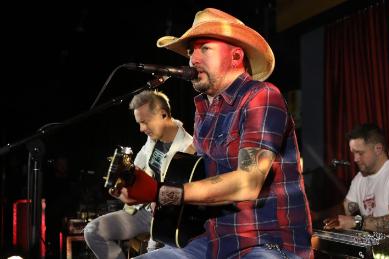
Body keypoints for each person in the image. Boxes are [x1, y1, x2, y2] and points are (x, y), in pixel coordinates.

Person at [114, 7, 313, 259]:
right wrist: (144, 187)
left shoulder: (261, 96)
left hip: (266, 243)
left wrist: (161, 192)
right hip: (213, 242)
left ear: (236, 56)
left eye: (204, 48)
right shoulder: (203, 112)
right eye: (190, 52)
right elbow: (199, 177)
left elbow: (248, 182)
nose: (193, 59)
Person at [84, 90, 194, 259]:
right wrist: (121, 184)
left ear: (163, 114)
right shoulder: (153, 138)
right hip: (142, 211)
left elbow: (185, 198)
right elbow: (137, 168)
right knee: (92, 231)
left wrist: (153, 197)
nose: (142, 129)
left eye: (145, 122)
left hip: (168, 220)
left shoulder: (189, 148)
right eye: (139, 123)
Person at [323, 123, 389, 258]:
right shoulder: (359, 178)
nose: (355, 159)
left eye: (360, 153)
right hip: (380, 250)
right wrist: (316, 216)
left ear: (378, 149)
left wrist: (356, 222)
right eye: (353, 153)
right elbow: (345, 210)